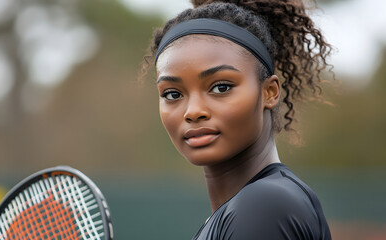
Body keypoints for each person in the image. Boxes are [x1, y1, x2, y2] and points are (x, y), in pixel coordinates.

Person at [142, 0, 333, 239]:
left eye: (221, 87)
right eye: (173, 94)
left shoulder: (263, 206)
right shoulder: (242, 210)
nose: (193, 111)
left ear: (269, 92)